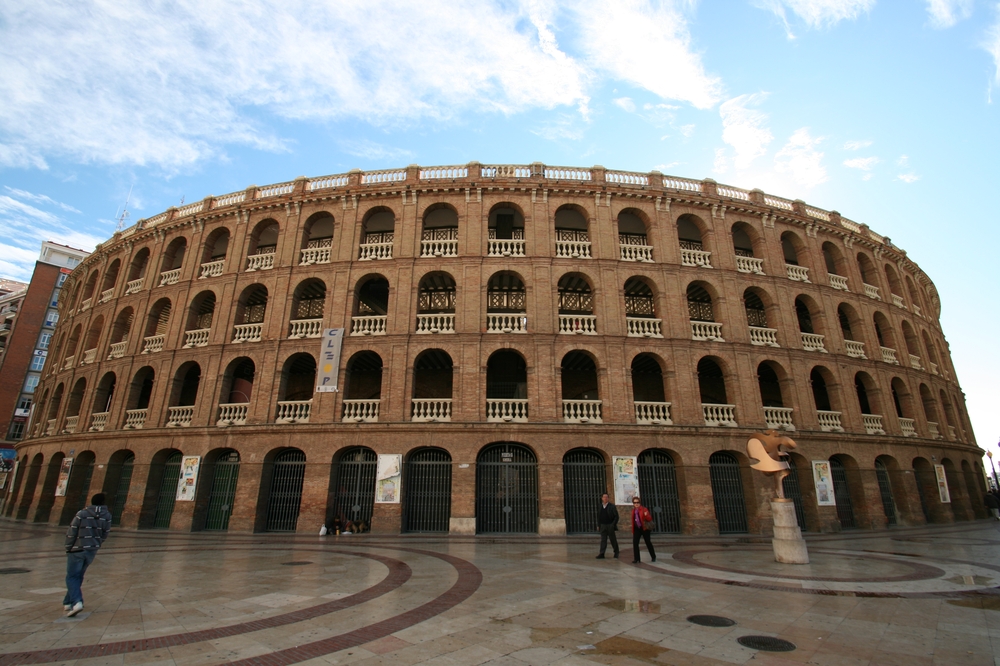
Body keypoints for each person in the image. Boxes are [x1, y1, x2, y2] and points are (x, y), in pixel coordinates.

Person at [63, 493, 112, 617]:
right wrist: (96, 544)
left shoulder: (82, 514)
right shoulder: (107, 516)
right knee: (78, 576)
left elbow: (72, 531)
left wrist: (68, 547)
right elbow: (105, 534)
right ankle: (67, 602)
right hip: (91, 550)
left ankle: (77, 602)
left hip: (77, 549)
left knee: (72, 576)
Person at [630, 496, 656, 564]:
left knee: (648, 542)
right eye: (635, 502)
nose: (636, 504)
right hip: (637, 528)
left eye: (637, 502)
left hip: (645, 528)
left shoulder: (644, 509)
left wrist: (646, 515)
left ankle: (653, 556)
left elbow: (649, 519)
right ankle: (637, 558)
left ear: (640, 503)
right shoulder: (633, 511)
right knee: (635, 543)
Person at [595, 492, 620, 559]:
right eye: (604, 497)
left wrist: (613, 524)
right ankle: (602, 553)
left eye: (606, 497)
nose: (605, 498)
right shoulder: (600, 506)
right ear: (602, 498)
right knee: (603, 540)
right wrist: (598, 525)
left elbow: (616, 516)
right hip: (603, 525)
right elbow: (599, 516)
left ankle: (616, 552)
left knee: (613, 539)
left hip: (610, 525)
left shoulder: (612, 506)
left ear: (608, 498)